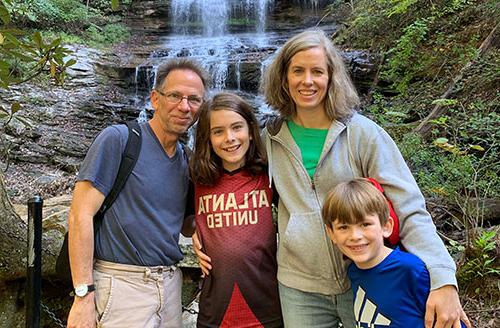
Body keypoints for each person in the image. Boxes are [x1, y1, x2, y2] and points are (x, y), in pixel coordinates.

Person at [257, 28, 470, 328]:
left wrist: (443, 277)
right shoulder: (269, 139)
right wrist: (199, 225)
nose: (307, 81)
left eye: (317, 71)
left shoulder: (362, 134)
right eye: (298, 71)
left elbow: (409, 207)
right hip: (299, 287)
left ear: (331, 78)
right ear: (283, 77)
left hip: (367, 279)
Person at [66, 58, 209, 328]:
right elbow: (79, 216)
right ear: (155, 99)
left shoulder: (187, 160)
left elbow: (187, 227)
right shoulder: (119, 140)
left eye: (194, 99)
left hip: (169, 284)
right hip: (121, 284)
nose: (185, 106)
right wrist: (83, 295)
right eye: (175, 96)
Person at [190, 92, 283, 328]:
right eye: (218, 131)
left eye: (237, 128)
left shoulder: (268, 175)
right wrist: (192, 229)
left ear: (251, 131)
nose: (229, 138)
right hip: (215, 308)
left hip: (267, 305)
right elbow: (181, 218)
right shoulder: (196, 179)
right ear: (207, 138)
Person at [322, 178, 467, 327]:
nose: (355, 236)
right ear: (331, 233)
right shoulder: (354, 271)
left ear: (386, 226)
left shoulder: (410, 269)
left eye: (365, 224)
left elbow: (449, 319)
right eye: (343, 227)